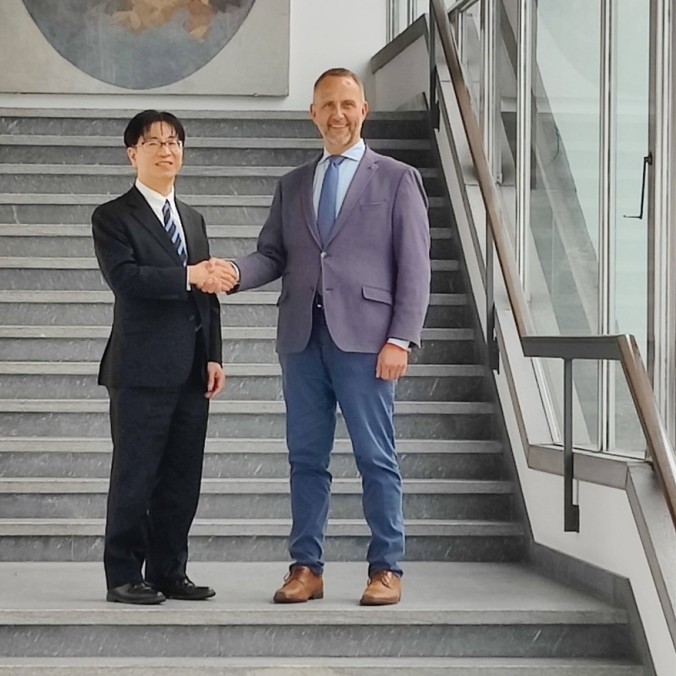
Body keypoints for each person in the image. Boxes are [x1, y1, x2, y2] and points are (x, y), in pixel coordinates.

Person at [215, 69, 431, 606]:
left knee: (375, 457)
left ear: (364, 109)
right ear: (313, 114)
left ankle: (387, 568)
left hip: (367, 341)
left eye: (347, 104)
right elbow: (273, 255)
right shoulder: (292, 184)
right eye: (327, 105)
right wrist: (235, 274)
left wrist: (401, 338)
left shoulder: (397, 178)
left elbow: (416, 267)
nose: (338, 114)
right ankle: (305, 567)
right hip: (302, 338)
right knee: (305, 458)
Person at [91, 110, 237, 605]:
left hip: (192, 370)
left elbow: (208, 293)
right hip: (139, 370)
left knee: (181, 478)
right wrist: (189, 276)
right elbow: (126, 280)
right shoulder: (112, 216)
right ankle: (124, 576)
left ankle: (170, 569)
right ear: (132, 153)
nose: (165, 149)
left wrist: (213, 354)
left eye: (173, 141)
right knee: (136, 475)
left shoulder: (192, 218)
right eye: (153, 142)